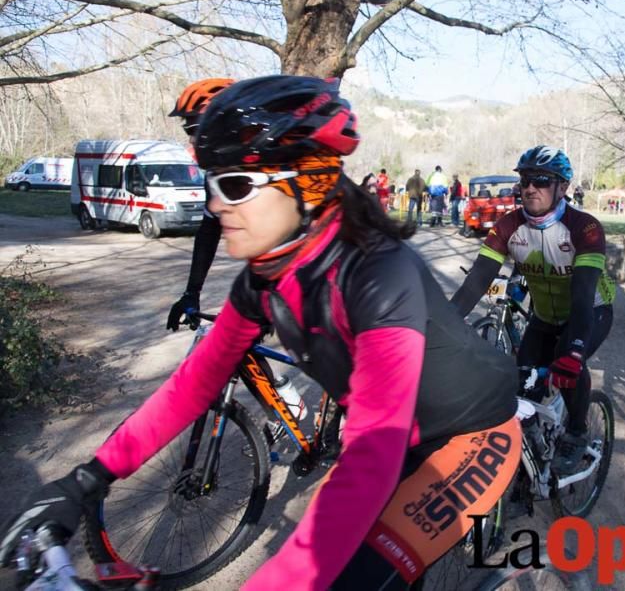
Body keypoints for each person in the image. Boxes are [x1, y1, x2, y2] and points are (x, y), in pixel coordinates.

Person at [0, 76, 521, 589]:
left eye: (234, 185)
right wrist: (86, 480)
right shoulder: (265, 276)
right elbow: (192, 387)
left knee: (357, 574)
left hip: (468, 435)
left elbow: (369, 456)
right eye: (211, 182)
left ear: (308, 182)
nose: (213, 205)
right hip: (400, 440)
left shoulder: (379, 272)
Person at [451, 145, 616, 475]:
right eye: (524, 180)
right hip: (543, 317)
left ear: (563, 187)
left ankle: (577, 432)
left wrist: (575, 351)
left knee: (566, 362)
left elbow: (583, 295)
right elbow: (476, 282)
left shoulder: (584, 227)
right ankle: (530, 459)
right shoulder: (509, 226)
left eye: (541, 180)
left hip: (589, 313)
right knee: (522, 386)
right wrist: (439, 325)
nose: (529, 188)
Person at [165, 77, 235, 331]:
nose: (191, 142)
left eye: (194, 131)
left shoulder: (266, 171)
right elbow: (209, 231)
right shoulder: (217, 176)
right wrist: (191, 292)